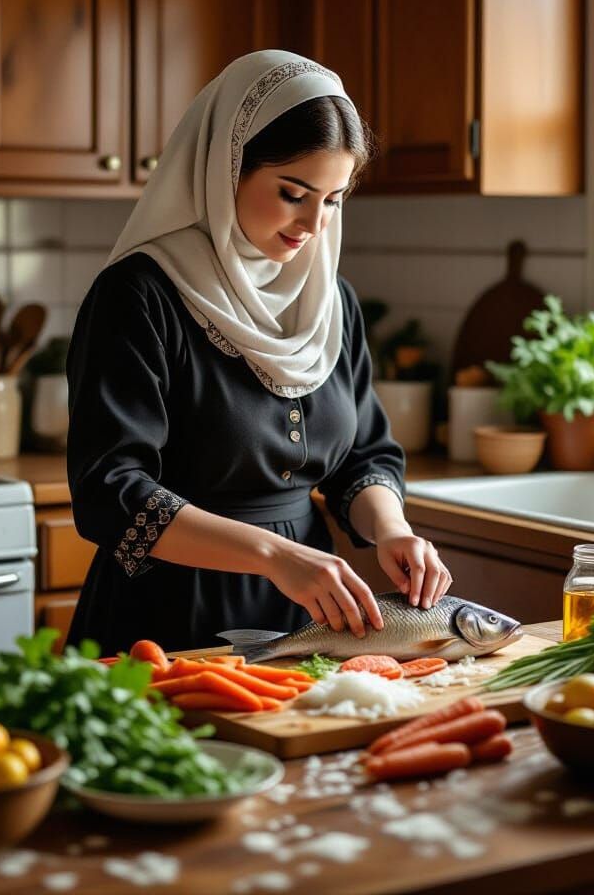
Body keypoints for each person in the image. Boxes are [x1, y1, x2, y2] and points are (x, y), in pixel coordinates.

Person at [65, 50, 452, 655]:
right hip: (164, 615)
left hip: (309, 612)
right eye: (293, 192)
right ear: (225, 170)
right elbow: (109, 490)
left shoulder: (331, 301)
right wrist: (274, 555)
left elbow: (362, 455)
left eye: (333, 199)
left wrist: (391, 531)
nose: (314, 224)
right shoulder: (138, 296)